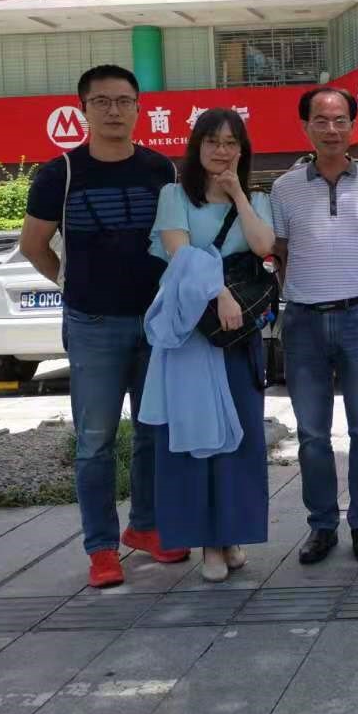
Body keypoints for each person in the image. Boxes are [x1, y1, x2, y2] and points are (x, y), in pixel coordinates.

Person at [21, 64, 185, 589]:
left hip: (156, 323)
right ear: (84, 109)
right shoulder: (60, 174)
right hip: (92, 324)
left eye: (123, 101)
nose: (114, 111)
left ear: (138, 108)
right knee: (95, 441)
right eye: (102, 102)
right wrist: (73, 284)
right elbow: (33, 245)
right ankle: (101, 548)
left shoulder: (161, 169)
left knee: (154, 432)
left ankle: (146, 527)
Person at [144, 108, 275, 581]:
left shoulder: (257, 198)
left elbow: (263, 246)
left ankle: (232, 535)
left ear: (243, 149)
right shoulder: (174, 196)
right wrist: (219, 293)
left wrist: (238, 193)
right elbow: (179, 254)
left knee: (241, 436)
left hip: (237, 336)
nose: (222, 151)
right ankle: (208, 545)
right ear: (196, 147)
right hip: (192, 334)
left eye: (231, 142)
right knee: (196, 437)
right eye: (213, 142)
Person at [272, 87, 358, 566]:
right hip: (303, 322)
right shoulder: (284, 188)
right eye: (320, 121)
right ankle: (321, 526)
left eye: (340, 120)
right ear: (305, 127)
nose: (331, 129)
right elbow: (280, 253)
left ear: (353, 126)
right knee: (312, 434)